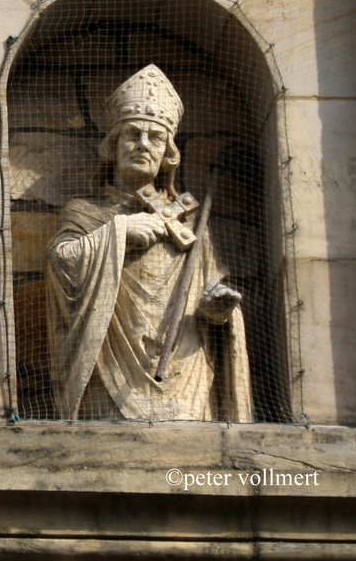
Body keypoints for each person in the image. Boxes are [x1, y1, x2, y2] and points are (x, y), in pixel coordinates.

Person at [45, 64, 252, 421]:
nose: (143, 145)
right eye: (132, 134)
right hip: (110, 364)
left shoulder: (186, 223)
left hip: (185, 368)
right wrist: (120, 232)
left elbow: (209, 290)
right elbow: (60, 263)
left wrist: (217, 309)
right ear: (114, 145)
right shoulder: (85, 212)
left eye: (155, 138)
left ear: (167, 154)